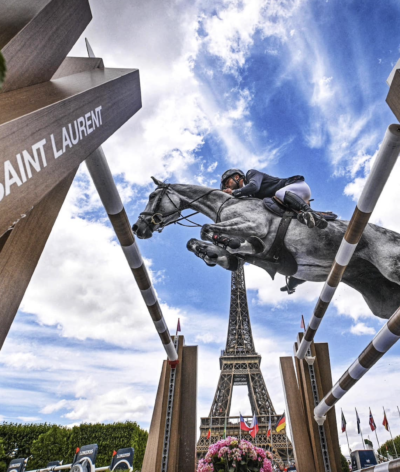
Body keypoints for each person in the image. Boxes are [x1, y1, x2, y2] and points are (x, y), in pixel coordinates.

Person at [220, 168, 327, 229]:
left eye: (227, 183)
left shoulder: (251, 174)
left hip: (298, 187)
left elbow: (254, 187)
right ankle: (303, 215)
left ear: (237, 177)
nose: (227, 186)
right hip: (291, 200)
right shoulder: (251, 196)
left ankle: (311, 213)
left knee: (279, 193)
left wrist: (233, 192)